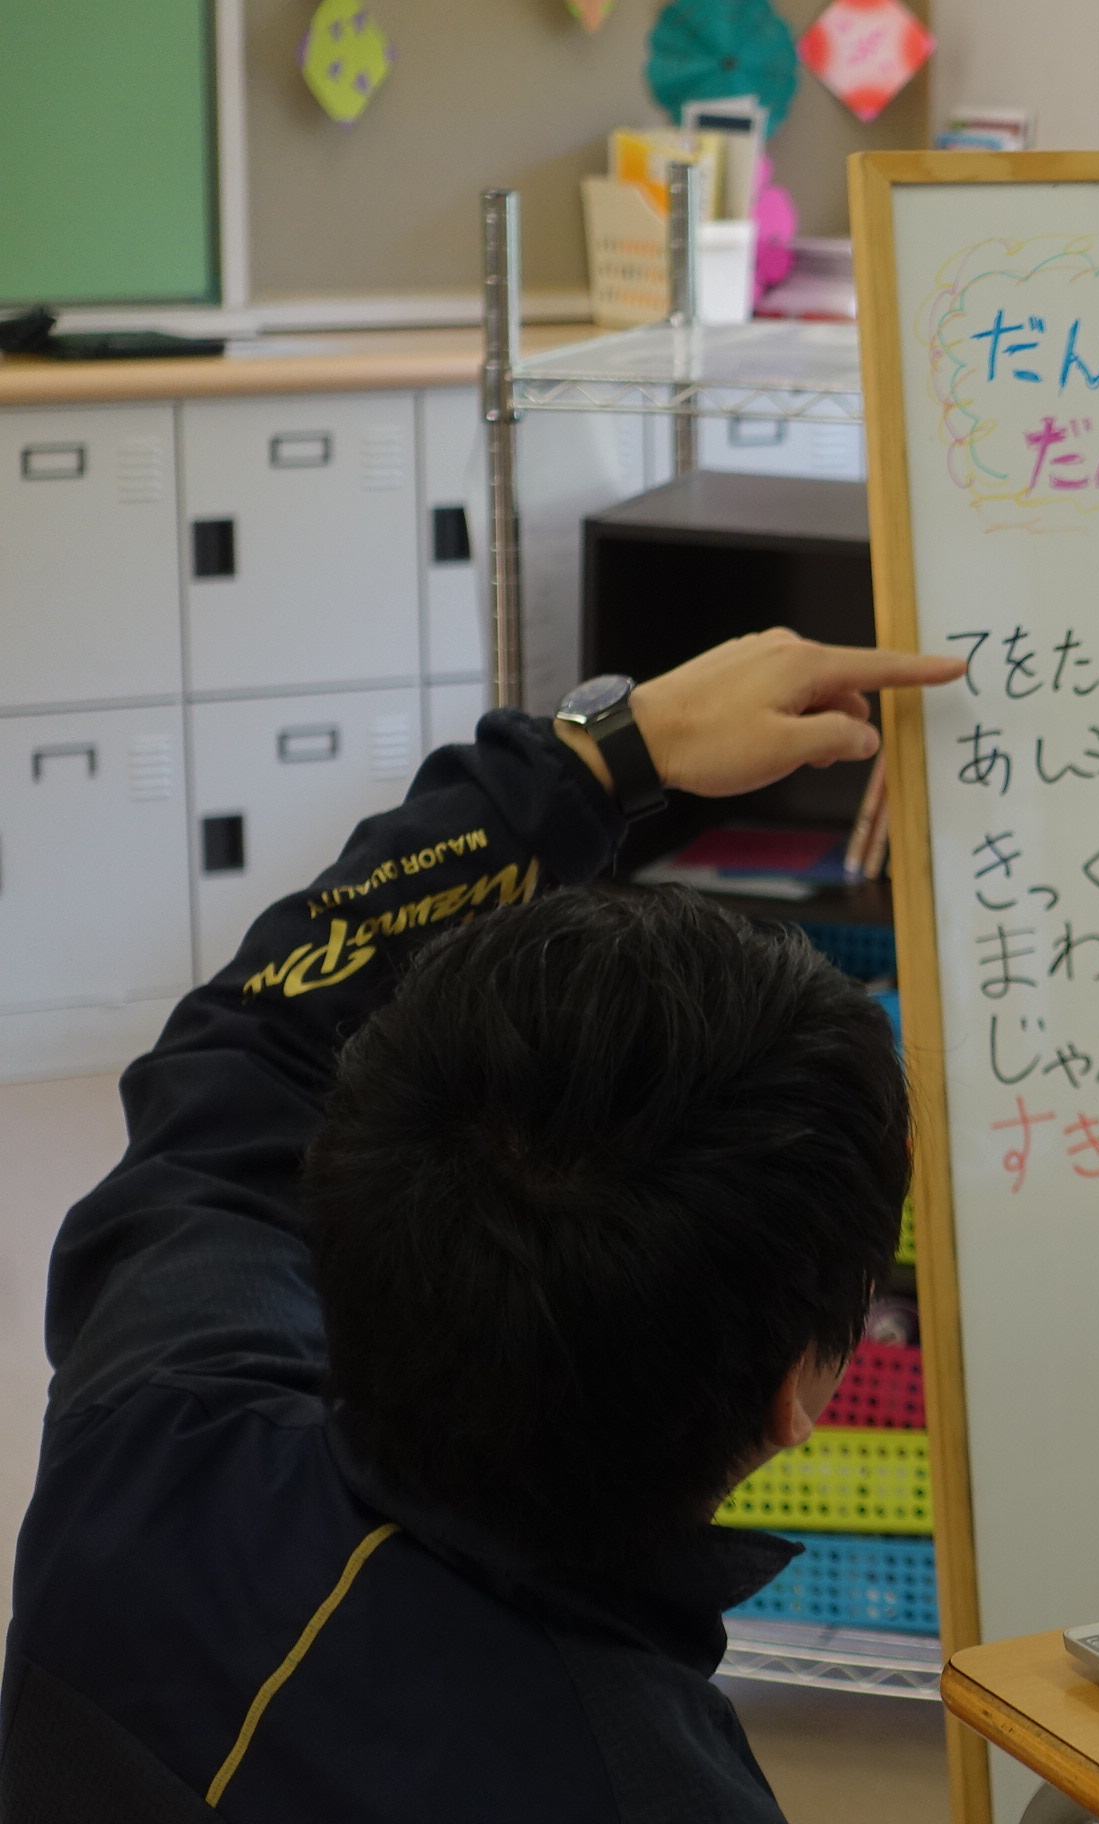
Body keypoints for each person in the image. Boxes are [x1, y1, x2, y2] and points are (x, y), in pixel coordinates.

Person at [2, 631, 965, 1821]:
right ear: (796, 1395)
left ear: (350, 1190)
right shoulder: (656, 1791)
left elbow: (249, 1042)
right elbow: (255, 1051)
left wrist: (604, 755)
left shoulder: (150, 1437)